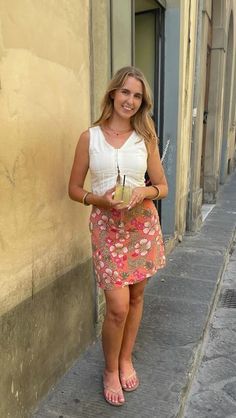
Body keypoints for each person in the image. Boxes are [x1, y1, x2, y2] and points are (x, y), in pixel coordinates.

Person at [68, 66, 168, 406]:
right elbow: (73, 189)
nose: (130, 100)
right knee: (117, 307)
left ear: (142, 102)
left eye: (137, 95)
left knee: (137, 298)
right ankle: (110, 369)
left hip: (141, 225)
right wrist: (98, 199)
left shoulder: (146, 136)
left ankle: (126, 358)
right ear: (113, 93)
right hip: (107, 228)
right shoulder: (89, 137)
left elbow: (163, 187)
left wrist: (144, 191)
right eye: (125, 92)